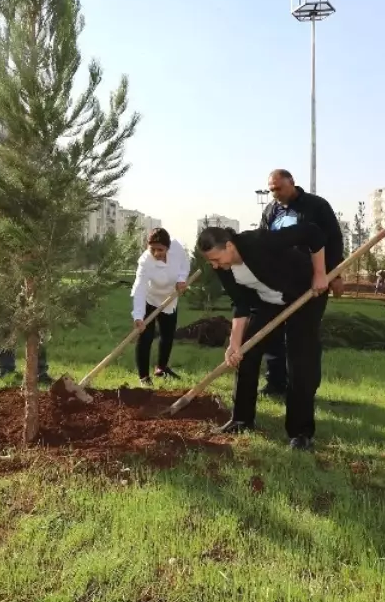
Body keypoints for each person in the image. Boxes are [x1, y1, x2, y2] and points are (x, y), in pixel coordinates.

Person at [196, 223, 329, 451]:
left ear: (229, 245)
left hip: (304, 294)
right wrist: (234, 345)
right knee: (246, 353)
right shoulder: (223, 267)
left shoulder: (258, 241)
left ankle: (300, 433)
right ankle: (242, 419)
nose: (215, 266)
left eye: (217, 259)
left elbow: (312, 232)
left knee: (299, 361)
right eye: (211, 262)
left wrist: (319, 274)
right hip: (267, 301)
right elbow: (241, 303)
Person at [257, 169, 345, 397]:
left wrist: (333, 274)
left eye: (279, 188)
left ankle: (303, 389)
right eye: (271, 189)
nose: (275, 193)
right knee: (273, 334)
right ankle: (275, 383)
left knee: (303, 338)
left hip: (312, 284)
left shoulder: (316, 206)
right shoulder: (270, 211)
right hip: (277, 285)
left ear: (292, 182)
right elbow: (263, 243)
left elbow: (334, 241)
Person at [130, 227, 190, 385]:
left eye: (160, 249)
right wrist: (138, 316)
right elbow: (140, 288)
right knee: (146, 337)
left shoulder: (177, 248)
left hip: (170, 297)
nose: (156, 253)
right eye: (152, 249)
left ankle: (161, 369)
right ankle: (144, 377)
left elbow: (185, 265)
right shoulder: (145, 262)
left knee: (168, 334)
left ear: (168, 247)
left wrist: (182, 279)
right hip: (150, 299)